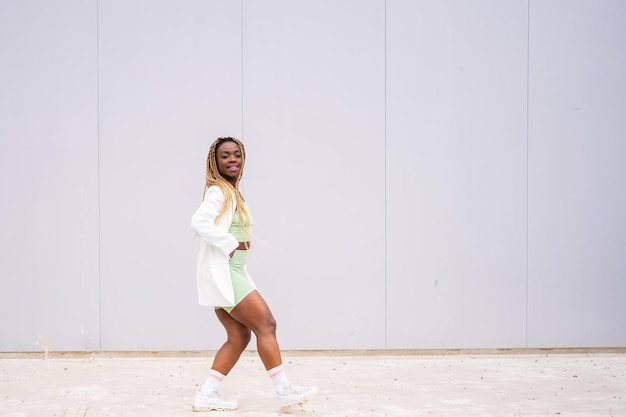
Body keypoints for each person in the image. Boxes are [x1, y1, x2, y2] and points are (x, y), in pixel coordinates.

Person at [190, 137, 318, 412]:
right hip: (225, 271)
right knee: (267, 324)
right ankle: (284, 391)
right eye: (225, 156)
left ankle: (206, 395)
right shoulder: (219, 191)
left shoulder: (232, 192)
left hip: (234, 272)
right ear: (215, 162)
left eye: (237, 155)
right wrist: (229, 244)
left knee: (239, 337)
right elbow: (199, 221)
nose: (233, 160)